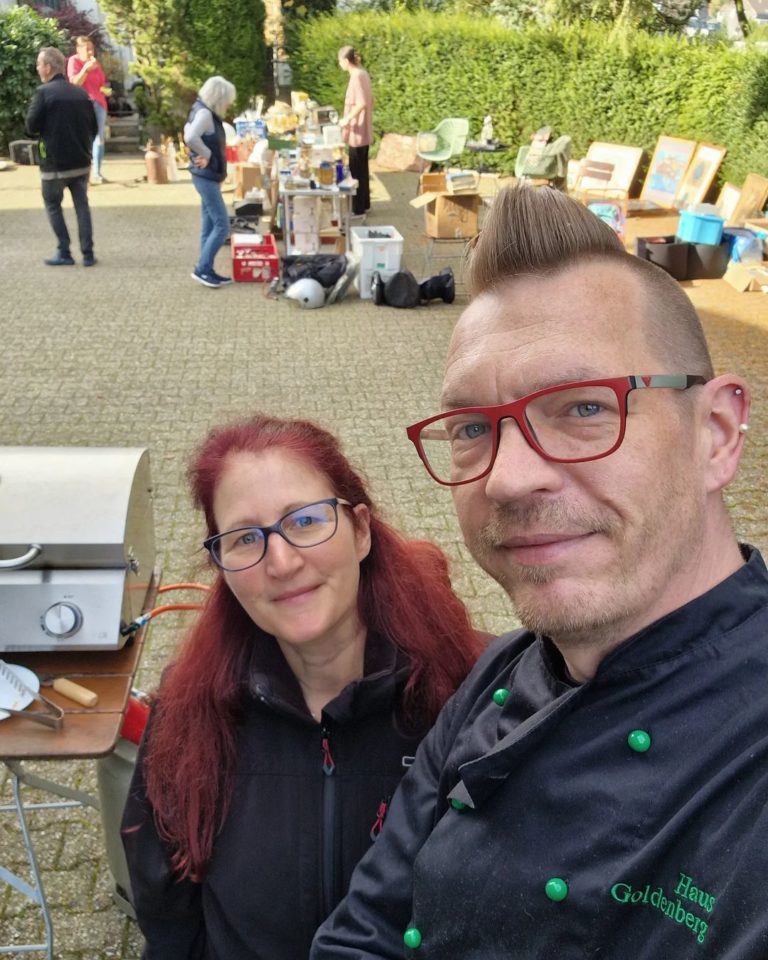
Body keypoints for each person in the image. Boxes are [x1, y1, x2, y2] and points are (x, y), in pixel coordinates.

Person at [311, 184, 768, 959]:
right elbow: (362, 933)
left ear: (717, 434)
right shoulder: (504, 666)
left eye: (584, 407)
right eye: (471, 427)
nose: (508, 478)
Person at [122, 414, 485, 960]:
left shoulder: (470, 690)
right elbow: (168, 914)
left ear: (361, 530)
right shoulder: (189, 710)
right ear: (221, 566)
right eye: (245, 538)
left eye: (307, 521)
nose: (283, 561)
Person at [26, 47, 98, 267]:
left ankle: (64, 251)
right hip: (81, 162)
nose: (37, 67)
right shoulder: (80, 93)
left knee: (53, 205)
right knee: (82, 206)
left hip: (54, 165)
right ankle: (88, 254)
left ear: (47, 67)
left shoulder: (43, 93)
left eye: (39, 64)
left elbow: (30, 126)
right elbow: (93, 128)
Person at [183, 75, 236, 288]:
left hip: (205, 176)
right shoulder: (205, 113)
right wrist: (206, 154)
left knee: (208, 224)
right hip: (205, 176)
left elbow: (187, 132)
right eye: (227, 100)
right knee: (222, 225)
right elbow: (190, 137)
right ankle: (202, 269)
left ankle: (206, 268)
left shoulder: (199, 109)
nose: (228, 105)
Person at [67, 36, 110, 184]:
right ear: (79, 49)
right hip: (82, 104)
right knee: (83, 139)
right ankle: (81, 173)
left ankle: (97, 173)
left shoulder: (96, 63)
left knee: (99, 137)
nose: (91, 52)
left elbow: (101, 82)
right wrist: (85, 69)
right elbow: (75, 83)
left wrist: (105, 89)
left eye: (92, 48)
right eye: (87, 49)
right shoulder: (74, 61)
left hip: (99, 103)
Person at [338, 46, 373, 219]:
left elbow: (361, 103)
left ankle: (358, 209)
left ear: (345, 61)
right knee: (363, 169)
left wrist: (346, 120)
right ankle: (365, 204)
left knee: (356, 171)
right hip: (363, 129)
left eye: (340, 62)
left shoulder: (356, 77)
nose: (340, 65)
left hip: (357, 132)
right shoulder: (363, 73)